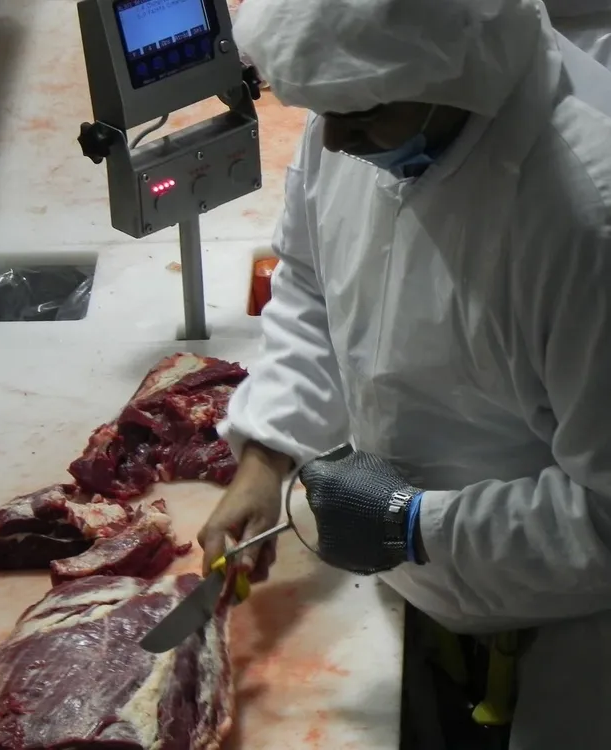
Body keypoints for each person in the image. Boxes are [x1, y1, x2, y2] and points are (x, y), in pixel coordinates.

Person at [197, 0, 611, 747]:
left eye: (357, 113)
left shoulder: (584, 217)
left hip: (561, 626)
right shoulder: (373, 98)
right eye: (318, 108)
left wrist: (416, 525)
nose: (332, 138)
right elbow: (312, 285)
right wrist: (267, 453)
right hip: (414, 593)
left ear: (453, 69)